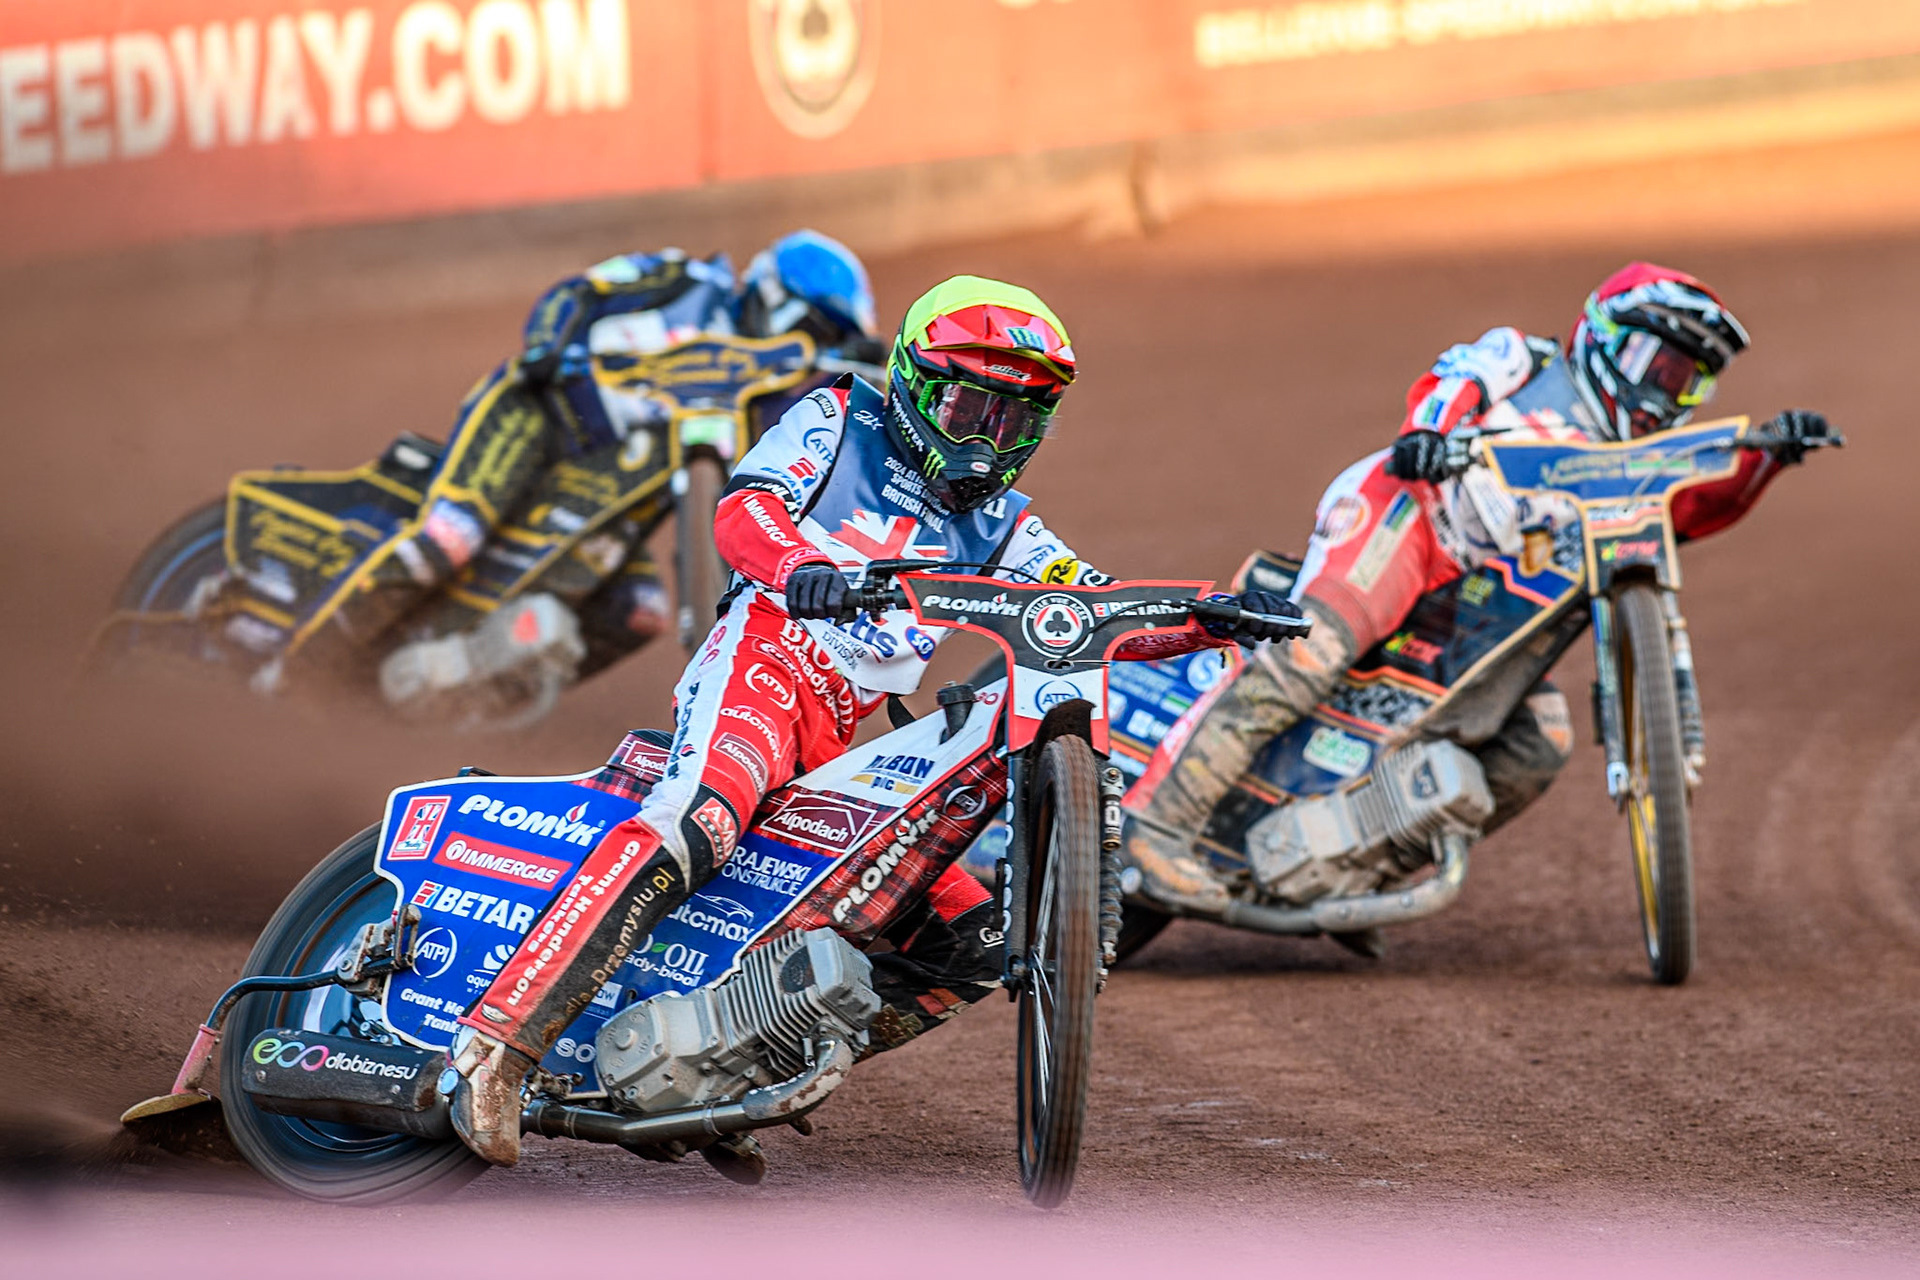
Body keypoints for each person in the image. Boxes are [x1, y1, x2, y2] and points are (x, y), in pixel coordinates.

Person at [445, 275, 1304, 1165]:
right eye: (972, 407)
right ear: (917, 383)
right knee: (700, 818)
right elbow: (744, 510)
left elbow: (1088, 607)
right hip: (765, 668)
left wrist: (1214, 615)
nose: (989, 439)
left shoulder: (1008, 527)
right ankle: (496, 1047)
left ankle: (736, 1069)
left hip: (846, 739)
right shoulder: (839, 417)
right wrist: (796, 566)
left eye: (1015, 419)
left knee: (973, 946)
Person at [1121, 261, 1835, 911]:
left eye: (1688, 379)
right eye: (1656, 363)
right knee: (1310, 650)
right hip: (1410, 516)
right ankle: (1157, 832)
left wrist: (1769, 461)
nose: (1664, 392)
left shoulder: (1637, 461)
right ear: (1604, 338)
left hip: (1479, 607)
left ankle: (1349, 871)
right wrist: (1431, 431)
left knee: (1540, 740)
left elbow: (1687, 512)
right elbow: (1450, 382)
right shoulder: (1524, 360)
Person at [287, 230, 881, 678]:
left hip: (611, 474)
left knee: (641, 610)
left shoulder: (755, 401)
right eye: (816, 329)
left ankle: (477, 680)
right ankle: (297, 669)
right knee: (450, 537)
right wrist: (550, 347)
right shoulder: (687, 280)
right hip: (541, 410)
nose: (811, 349)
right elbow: (581, 290)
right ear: (775, 294)